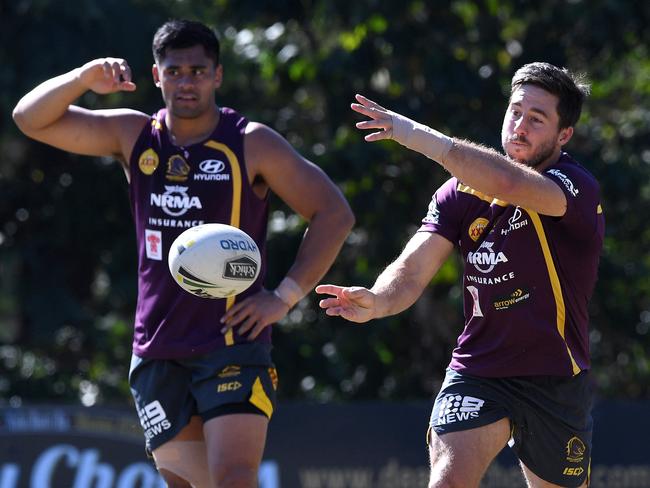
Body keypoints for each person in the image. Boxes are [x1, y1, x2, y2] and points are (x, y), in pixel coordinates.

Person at [13, 19, 354, 488]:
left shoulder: (250, 142)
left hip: (232, 341)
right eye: (174, 71)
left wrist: (286, 295)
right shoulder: (134, 136)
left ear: (217, 75)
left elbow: (334, 212)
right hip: (157, 348)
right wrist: (81, 79)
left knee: (234, 478)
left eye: (197, 70)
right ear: (157, 76)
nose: (186, 82)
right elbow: (29, 119)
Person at [317, 62, 603, 488]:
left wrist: (415, 135)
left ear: (564, 135)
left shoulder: (573, 185)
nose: (520, 126)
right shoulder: (458, 194)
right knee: (447, 481)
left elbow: (508, 182)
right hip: (479, 370)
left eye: (536, 119)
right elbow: (411, 270)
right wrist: (377, 299)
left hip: (554, 376)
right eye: (515, 112)